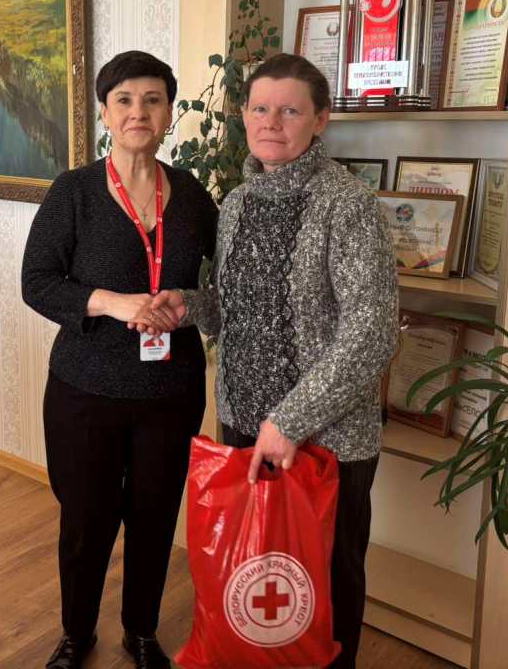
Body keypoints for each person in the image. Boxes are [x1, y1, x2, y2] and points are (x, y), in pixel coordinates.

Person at [149, 53, 399, 668]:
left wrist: (289, 421)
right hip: (244, 424)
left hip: (326, 439)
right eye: (260, 108)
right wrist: (189, 305)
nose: (272, 122)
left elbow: (371, 332)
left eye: (290, 110)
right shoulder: (236, 203)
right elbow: (239, 309)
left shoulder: (349, 205)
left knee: (324, 589)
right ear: (244, 115)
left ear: (321, 120)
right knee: (256, 578)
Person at [21, 50, 218, 669]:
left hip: (170, 392)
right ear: (105, 113)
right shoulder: (74, 192)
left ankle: (141, 632)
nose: (139, 112)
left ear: (168, 113)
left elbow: (227, 286)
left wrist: (186, 303)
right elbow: (37, 282)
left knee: (155, 518)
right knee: (87, 520)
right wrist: (111, 302)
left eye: (153, 100)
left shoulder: (192, 196)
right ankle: (77, 634)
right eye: (125, 100)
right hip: (86, 389)